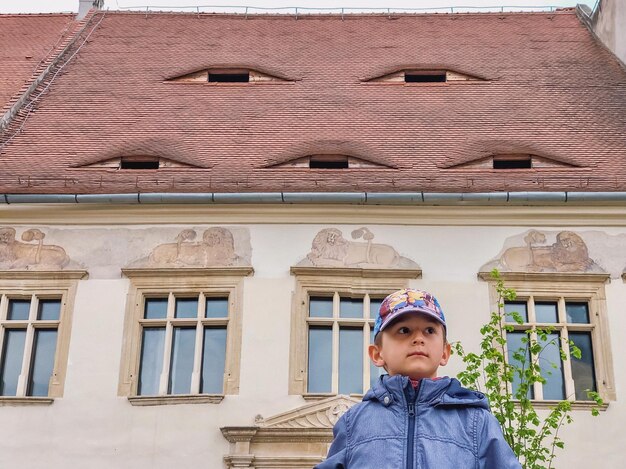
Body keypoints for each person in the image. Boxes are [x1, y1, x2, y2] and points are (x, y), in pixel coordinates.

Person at [314, 288, 521, 469]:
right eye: (404, 330)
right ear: (377, 354)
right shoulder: (354, 423)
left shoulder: (476, 422)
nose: (418, 338)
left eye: (430, 330)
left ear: (445, 353)